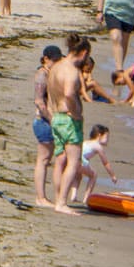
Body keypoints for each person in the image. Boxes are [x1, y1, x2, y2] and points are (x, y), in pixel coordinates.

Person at [47, 33, 90, 215]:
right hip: (68, 118)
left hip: (56, 116)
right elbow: (69, 93)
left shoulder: (56, 67)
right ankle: (62, 202)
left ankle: (58, 198)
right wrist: (76, 112)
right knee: (74, 162)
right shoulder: (71, 70)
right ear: (84, 52)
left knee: (60, 160)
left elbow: (50, 92)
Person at [31, 45, 61, 206]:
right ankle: (41, 198)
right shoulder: (42, 74)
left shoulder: (50, 74)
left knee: (48, 159)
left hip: (48, 120)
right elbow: (39, 101)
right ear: (46, 59)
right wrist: (51, 119)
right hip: (43, 122)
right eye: (54, 60)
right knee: (43, 160)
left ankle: (44, 197)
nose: (56, 63)